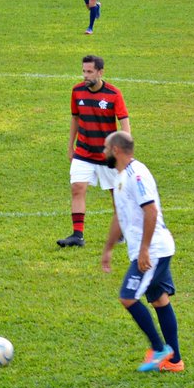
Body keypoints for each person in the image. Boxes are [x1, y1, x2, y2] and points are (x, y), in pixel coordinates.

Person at [99, 131, 183, 373]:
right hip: (149, 249)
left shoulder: (137, 175)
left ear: (116, 150)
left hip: (153, 250)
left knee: (128, 296)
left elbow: (151, 211)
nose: (103, 152)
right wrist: (107, 249)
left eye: (106, 148)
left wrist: (145, 249)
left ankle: (159, 349)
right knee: (159, 299)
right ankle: (175, 361)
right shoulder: (120, 178)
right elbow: (119, 216)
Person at [57, 55, 130, 248]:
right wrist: (70, 146)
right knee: (77, 188)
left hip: (108, 156)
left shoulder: (114, 94)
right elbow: (75, 118)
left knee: (117, 196)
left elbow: (124, 122)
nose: (85, 75)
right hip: (83, 152)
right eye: (83, 71)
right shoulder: (77, 91)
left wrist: (124, 150)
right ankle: (77, 236)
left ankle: (123, 230)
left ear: (100, 72)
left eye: (89, 72)